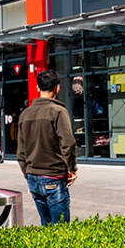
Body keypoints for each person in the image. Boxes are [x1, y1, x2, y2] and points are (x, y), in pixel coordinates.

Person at [17, 69, 78, 226]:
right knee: (61, 231)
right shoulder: (58, 111)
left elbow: (21, 153)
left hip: (33, 178)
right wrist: (71, 169)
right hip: (54, 177)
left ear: (38, 88)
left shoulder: (25, 114)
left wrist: (29, 175)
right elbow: (68, 143)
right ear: (57, 88)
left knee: (47, 228)